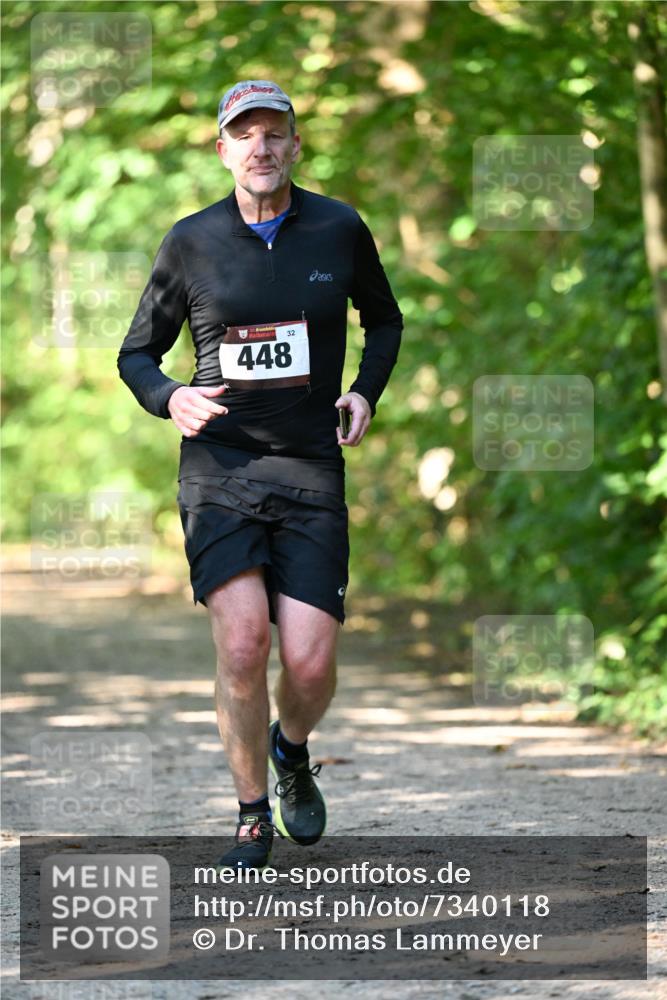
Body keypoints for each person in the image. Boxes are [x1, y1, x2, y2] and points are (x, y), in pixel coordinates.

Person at [117, 80, 402, 870]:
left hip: (310, 466)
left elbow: (383, 319)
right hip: (220, 468)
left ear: (295, 144)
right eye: (244, 135)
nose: (260, 148)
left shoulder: (339, 229)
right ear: (223, 150)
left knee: (308, 662)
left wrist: (362, 390)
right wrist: (169, 397)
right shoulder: (190, 242)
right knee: (243, 646)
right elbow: (136, 354)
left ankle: (291, 751)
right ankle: (249, 811)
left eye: (274, 133)